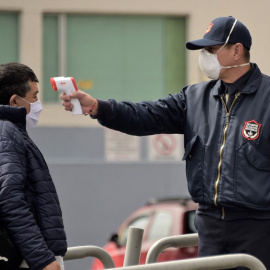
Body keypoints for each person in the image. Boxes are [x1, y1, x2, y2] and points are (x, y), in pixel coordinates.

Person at [60, 16, 270, 269]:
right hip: (209, 225)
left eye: (211, 50)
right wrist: (97, 107)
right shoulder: (194, 99)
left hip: (258, 227)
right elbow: (145, 115)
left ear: (237, 50)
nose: (205, 56)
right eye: (203, 51)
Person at [0, 62, 67, 270]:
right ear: (15, 101)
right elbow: (10, 199)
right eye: (34, 96)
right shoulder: (7, 133)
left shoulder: (11, 132)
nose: (38, 104)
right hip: (26, 259)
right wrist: (43, 259)